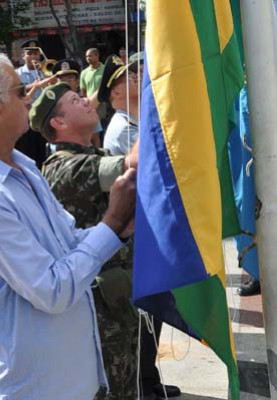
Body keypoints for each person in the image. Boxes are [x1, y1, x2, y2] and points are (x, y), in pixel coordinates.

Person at [0, 51, 137, 400]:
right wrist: (111, 223)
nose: (29, 97)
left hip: (65, 381)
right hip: (29, 386)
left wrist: (117, 230)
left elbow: (67, 239)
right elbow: (52, 290)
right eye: (20, 91)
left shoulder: (22, 166)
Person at [30, 81, 139, 399]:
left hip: (117, 297)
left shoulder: (94, 154)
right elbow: (134, 164)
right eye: (75, 101)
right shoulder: (63, 167)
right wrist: (155, 108)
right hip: (94, 306)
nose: (86, 101)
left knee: (127, 383)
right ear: (58, 122)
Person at [97, 56, 181, 400]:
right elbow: (152, 164)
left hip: (145, 229)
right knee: (145, 310)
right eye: (128, 78)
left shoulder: (133, 121)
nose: (137, 79)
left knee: (152, 309)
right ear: (115, 93)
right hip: (139, 232)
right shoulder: (124, 128)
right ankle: (142, 381)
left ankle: (148, 376)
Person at [14, 40, 56, 168]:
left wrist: (48, 77)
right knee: (30, 152)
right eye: (30, 53)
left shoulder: (46, 70)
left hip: (45, 118)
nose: (33, 56)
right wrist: (35, 85)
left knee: (46, 152)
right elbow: (17, 91)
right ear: (23, 56)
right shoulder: (17, 73)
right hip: (27, 119)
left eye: (36, 53)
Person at [52, 59, 101, 148]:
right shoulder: (52, 107)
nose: (66, 83)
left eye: (70, 79)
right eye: (62, 80)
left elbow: (95, 138)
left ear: (77, 82)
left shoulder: (85, 105)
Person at [98, 56, 140, 155]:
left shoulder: (132, 119)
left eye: (133, 73)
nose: (136, 77)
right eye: (129, 75)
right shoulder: (124, 128)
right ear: (116, 93)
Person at [81, 48, 109, 131]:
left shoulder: (106, 70)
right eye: (86, 56)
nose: (88, 58)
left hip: (104, 105)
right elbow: (83, 90)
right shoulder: (84, 73)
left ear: (97, 56)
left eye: (90, 56)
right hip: (91, 106)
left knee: (105, 128)